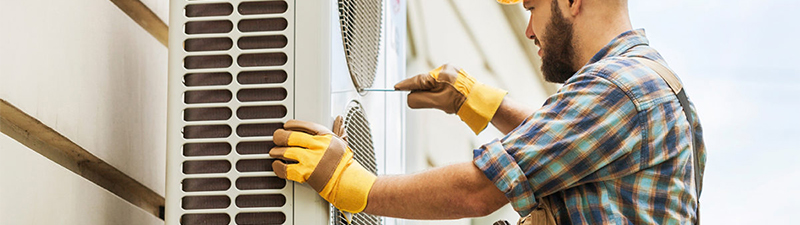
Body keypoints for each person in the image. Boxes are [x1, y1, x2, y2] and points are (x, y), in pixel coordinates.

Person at [268, 0, 706, 223]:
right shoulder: (652, 85)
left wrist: (350, 184)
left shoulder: (620, 87)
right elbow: (572, 147)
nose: (530, 30)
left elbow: (481, 190)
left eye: (532, 7)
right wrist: (475, 100)